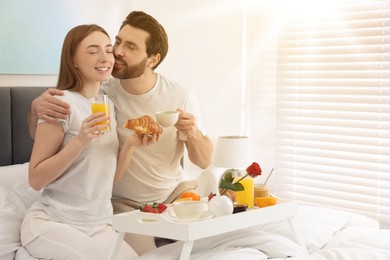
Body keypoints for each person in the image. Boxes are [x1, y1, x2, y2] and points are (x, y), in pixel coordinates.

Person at [28, 11, 213, 255]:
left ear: (152, 60)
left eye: (130, 47)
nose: (115, 53)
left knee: (205, 242)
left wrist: (189, 133)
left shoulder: (172, 96)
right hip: (117, 204)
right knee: (148, 255)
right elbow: (42, 152)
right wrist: (34, 109)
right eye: (117, 42)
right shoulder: (90, 96)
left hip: (168, 193)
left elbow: (204, 161)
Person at [21, 24, 141, 259]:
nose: (105, 57)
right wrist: (80, 141)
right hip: (53, 223)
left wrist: (131, 144)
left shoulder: (107, 104)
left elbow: (107, 179)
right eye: (92, 50)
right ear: (73, 60)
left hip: (99, 225)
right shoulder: (60, 103)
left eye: (108, 49)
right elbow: (35, 179)